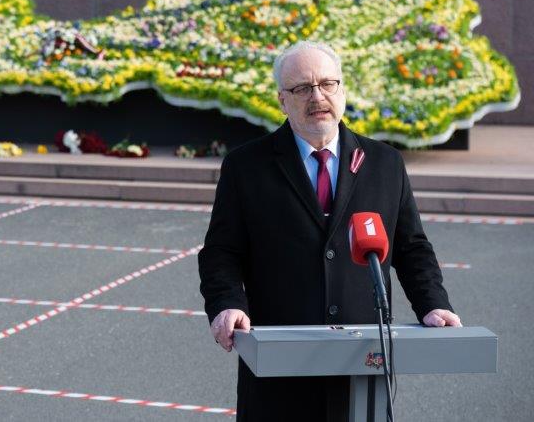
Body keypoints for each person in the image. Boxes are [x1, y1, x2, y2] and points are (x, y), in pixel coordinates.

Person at [198, 41, 461, 421]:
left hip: (363, 363)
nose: (317, 97)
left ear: (342, 90)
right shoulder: (246, 166)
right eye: (302, 88)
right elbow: (221, 252)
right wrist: (227, 304)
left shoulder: (385, 163)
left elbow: (411, 247)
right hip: (278, 367)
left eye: (327, 84)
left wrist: (433, 303)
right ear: (282, 100)